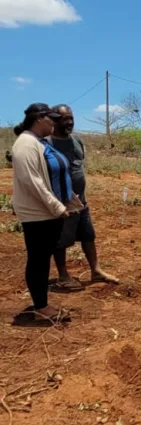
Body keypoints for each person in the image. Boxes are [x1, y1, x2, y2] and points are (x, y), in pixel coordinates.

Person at [11, 103, 83, 324]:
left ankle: (42, 303)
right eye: (51, 118)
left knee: (42, 259)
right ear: (39, 119)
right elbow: (33, 183)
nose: (54, 123)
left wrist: (69, 201)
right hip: (38, 214)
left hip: (48, 213)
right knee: (39, 260)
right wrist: (57, 206)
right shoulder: (25, 144)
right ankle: (41, 307)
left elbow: (54, 176)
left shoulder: (38, 142)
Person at [47, 105, 118, 291]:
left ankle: (96, 270)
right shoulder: (47, 144)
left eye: (71, 118)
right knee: (61, 240)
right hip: (62, 202)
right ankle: (63, 276)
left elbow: (79, 166)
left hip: (82, 201)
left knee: (88, 235)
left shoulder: (77, 140)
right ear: (54, 120)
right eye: (64, 119)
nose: (69, 122)